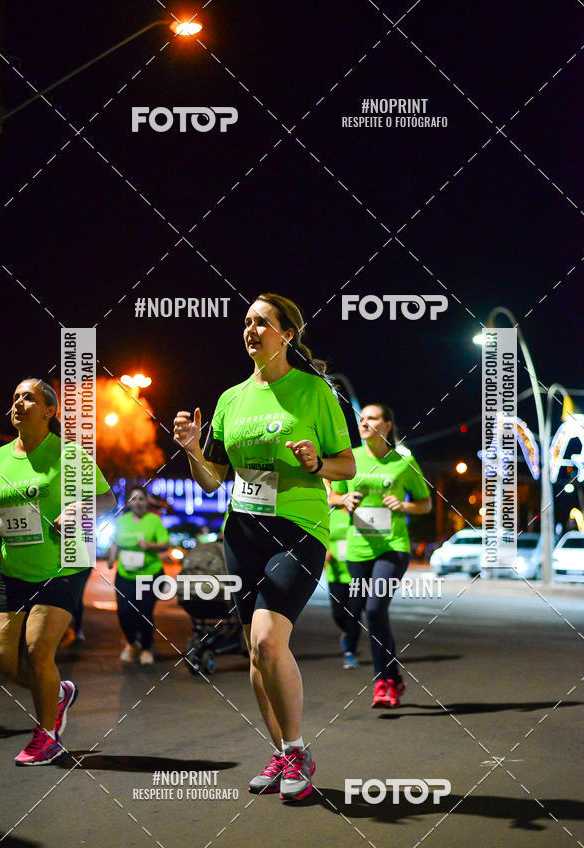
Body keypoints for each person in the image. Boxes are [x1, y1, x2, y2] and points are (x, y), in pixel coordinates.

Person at [174, 293, 355, 801]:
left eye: (261, 322)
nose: (250, 330)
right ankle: (279, 751)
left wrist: (317, 463)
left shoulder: (313, 391)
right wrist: (192, 450)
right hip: (243, 534)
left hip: (298, 530)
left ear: (287, 334)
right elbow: (213, 480)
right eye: (246, 322)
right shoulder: (231, 399)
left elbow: (348, 465)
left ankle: (297, 752)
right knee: (256, 650)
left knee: (270, 640)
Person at [0, 379, 114, 765]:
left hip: (61, 567)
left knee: (37, 649)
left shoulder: (69, 454)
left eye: (28, 397)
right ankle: (57, 693)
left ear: (49, 411)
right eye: (15, 397)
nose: (18, 403)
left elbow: (108, 498)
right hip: (12, 569)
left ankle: (47, 737)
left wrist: (80, 509)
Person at [328, 404, 431, 709]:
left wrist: (404, 506)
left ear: (386, 425)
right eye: (361, 419)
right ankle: (393, 677)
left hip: (392, 547)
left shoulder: (403, 460)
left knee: (374, 610)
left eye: (371, 418)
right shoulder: (351, 458)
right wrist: (344, 499)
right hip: (358, 549)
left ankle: (382, 682)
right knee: (371, 613)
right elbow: (332, 495)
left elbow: (425, 503)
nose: (364, 423)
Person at [107, 485, 170, 665]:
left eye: (141, 498)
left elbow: (165, 544)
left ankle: (146, 648)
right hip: (125, 575)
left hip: (150, 575)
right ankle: (132, 643)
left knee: (144, 612)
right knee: (124, 612)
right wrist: (111, 559)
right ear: (128, 502)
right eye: (133, 499)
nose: (138, 502)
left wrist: (150, 545)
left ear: (146, 501)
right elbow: (115, 543)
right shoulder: (121, 521)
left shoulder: (154, 520)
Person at [325, 505, 361, 669]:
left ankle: (350, 653)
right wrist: (325, 551)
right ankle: (348, 633)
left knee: (354, 615)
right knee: (338, 614)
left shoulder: (361, 514)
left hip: (357, 574)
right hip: (336, 574)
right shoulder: (332, 514)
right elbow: (322, 536)